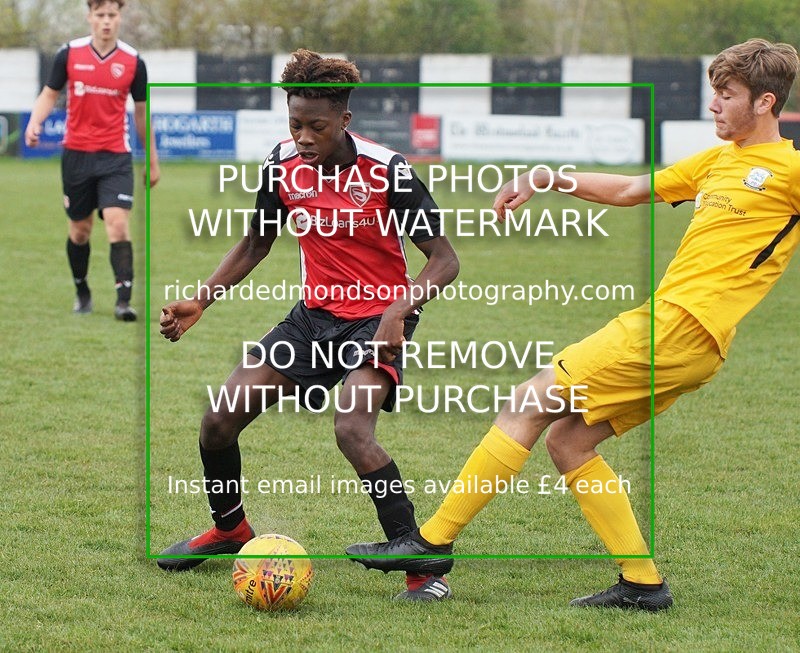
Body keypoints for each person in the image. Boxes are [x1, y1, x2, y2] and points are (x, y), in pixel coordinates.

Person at [347, 38, 800, 611]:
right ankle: (642, 583)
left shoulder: (790, 169)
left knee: (526, 402)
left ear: (764, 103)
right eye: (714, 92)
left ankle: (430, 543)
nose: (713, 105)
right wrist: (546, 178)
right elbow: (633, 190)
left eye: (726, 95)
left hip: (680, 328)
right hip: (682, 336)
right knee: (568, 441)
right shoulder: (717, 160)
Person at [156, 49, 460, 602]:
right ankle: (230, 531)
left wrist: (397, 313)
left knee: (351, 430)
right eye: (294, 124)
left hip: (377, 320)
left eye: (316, 126)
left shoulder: (388, 172)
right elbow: (257, 242)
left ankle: (419, 565)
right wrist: (201, 300)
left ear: (344, 120)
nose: (302, 136)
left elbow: (444, 261)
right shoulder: (281, 165)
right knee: (219, 419)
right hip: (311, 320)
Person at [25, 0, 160, 321]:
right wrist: (35, 121)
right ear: (89, 17)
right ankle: (82, 290)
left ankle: (123, 301)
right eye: (100, 15)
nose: (106, 22)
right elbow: (49, 93)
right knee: (80, 231)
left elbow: (142, 114)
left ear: (120, 17)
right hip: (76, 156)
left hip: (115, 156)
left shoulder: (133, 61)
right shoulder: (69, 54)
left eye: (112, 15)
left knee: (117, 223)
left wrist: (152, 161)